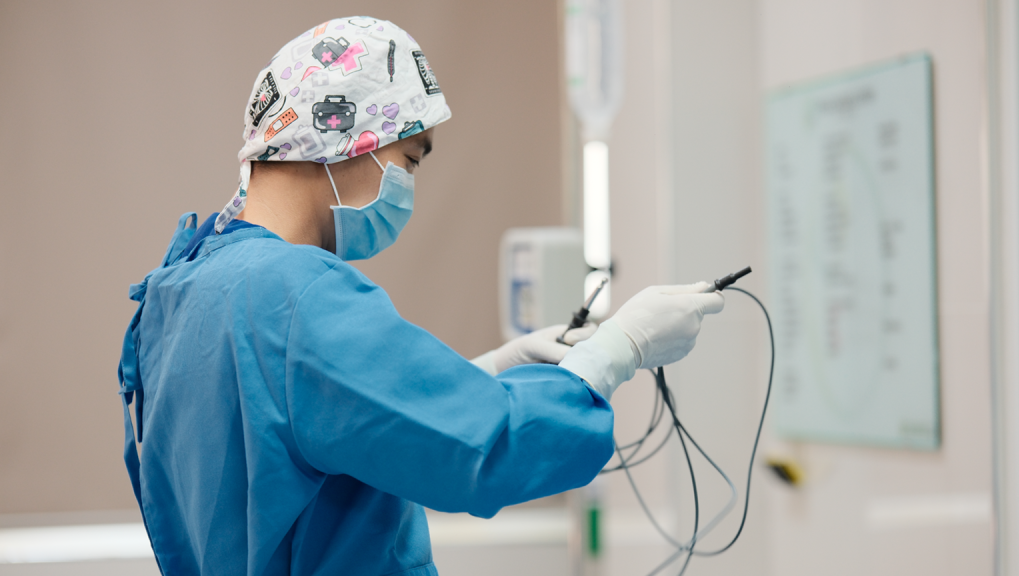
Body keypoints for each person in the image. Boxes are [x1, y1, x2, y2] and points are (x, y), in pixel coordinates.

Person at [117, 16, 725, 576]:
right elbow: (490, 451)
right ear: (346, 135)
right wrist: (619, 348)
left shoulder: (184, 287)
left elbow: (309, 431)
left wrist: (485, 372)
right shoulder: (296, 296)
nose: (408, 184)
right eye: (409, 159)